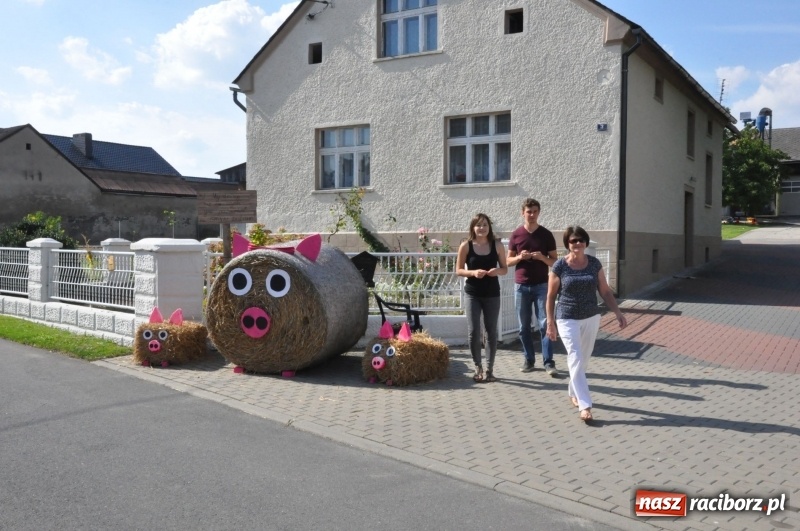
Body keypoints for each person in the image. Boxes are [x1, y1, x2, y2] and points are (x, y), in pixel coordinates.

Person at [545, 226, 627, 422]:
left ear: (586, 243)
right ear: (567, 244)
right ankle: (585, 405)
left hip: (591, 317)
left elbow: (605, 291)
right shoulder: (559, 266)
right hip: (567, 317)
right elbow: (550, 296)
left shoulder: (594, 264)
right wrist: (550, 322)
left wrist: (617, 312)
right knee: (575, 357)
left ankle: (573, 392)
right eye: (573, 241)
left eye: (581, 240)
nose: (577, 244)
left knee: (583, 360)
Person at [507, 198, 559, 376]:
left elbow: (555, 261)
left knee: (545, 324)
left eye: (535, 211)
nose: (531, 214)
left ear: (539, 213)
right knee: (523, 327)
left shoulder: (546, 234)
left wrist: (541, 258)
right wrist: (520, 257)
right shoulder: (516, 234)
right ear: (523, 213)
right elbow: (507, 261)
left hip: (541, 286)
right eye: (528, 211)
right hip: (521, 286)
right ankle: (529, 359)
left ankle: (549, 362)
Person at [456, 213, 508, 383]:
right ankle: (477, 366)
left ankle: (490, 369)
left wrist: (496, 271)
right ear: (473, 227)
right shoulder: (466, 245)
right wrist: (472, 272)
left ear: (489, 227)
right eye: (478, 225)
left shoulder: (498, 245)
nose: (482, 228)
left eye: (485, 225)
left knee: (491, 332)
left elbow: (505, 269)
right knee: (473, 331)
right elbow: (458, 270)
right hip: (473, 293)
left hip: (492, 293)